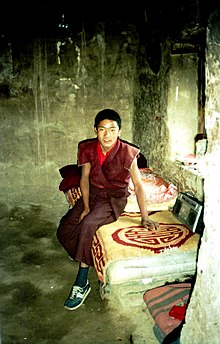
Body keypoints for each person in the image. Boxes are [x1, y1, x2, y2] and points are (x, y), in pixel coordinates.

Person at [57, 108, 159, 311]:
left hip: (113, 199)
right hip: (93, 195)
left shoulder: (129, 153)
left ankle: (82, 281)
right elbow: (84, 178)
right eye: (102, 129)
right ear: (96, 130)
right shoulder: (86, 148)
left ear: (119, 131)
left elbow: (138, 186)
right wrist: (85, 206)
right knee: (64, 228)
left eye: (112, 129)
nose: (107, 134)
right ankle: (82, 250)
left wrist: (144, 216)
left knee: (88, 224)